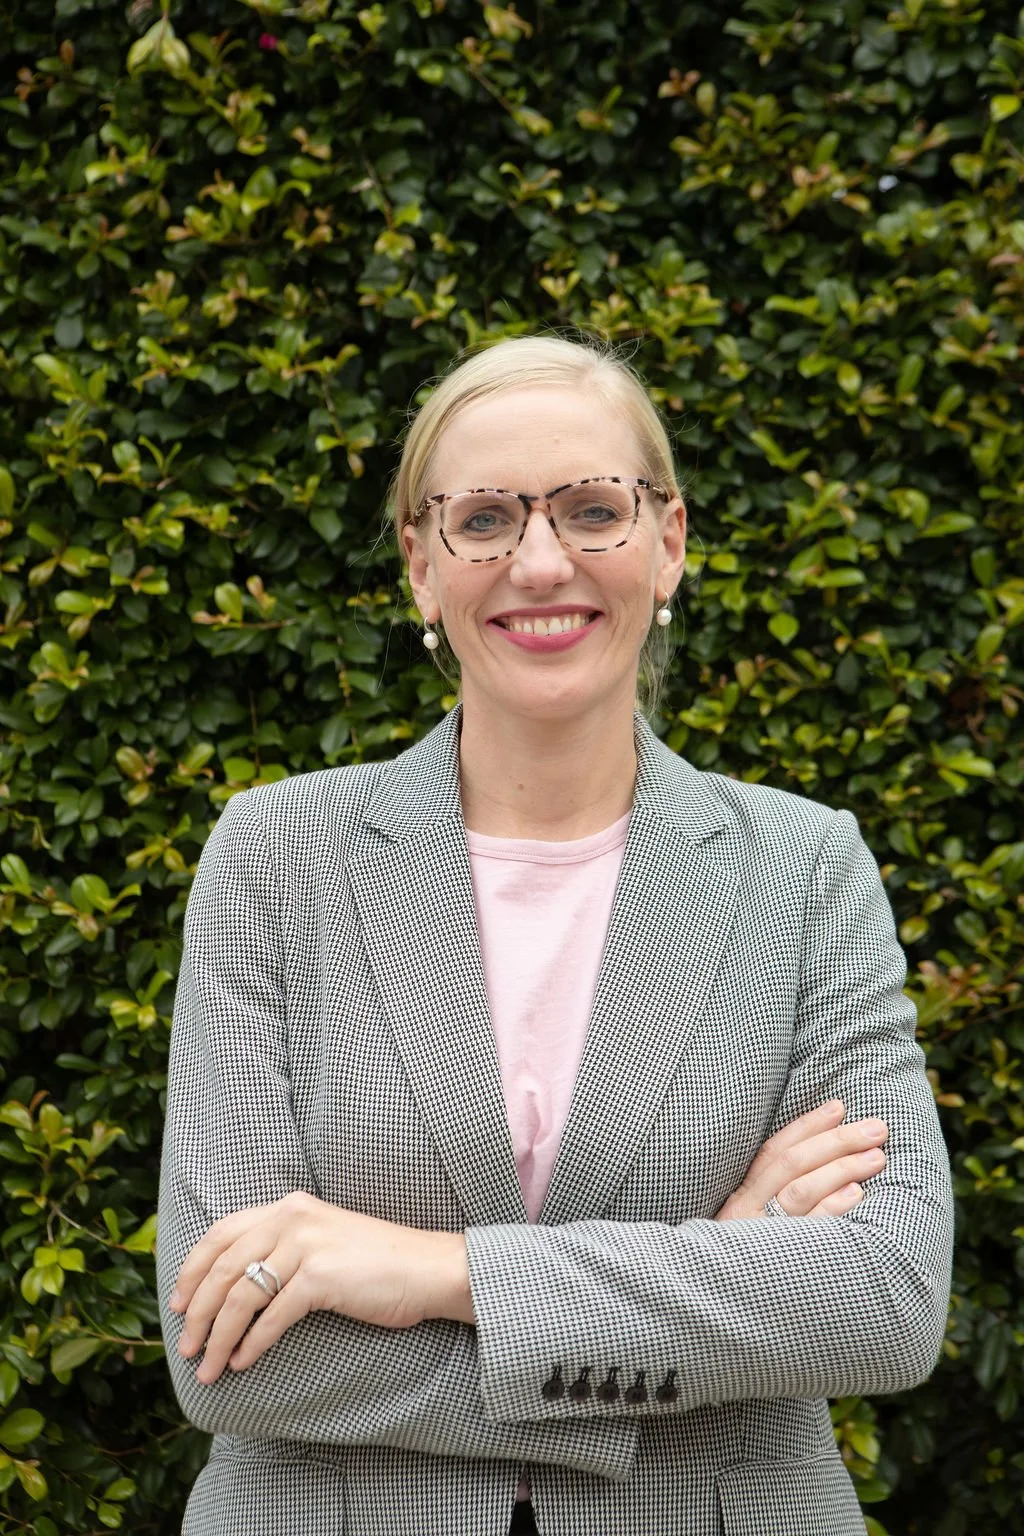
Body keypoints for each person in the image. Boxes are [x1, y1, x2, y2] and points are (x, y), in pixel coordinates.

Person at [156, 335, 954, 1536]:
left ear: (668, 543)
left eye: (592, 510)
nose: (540, 562)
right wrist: (716, 1271)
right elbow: (230, 1353)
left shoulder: (803, 869)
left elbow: (884, 1302)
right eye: (483, 520)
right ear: (421, 564)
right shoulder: (276, 857)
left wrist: (435, 1274)